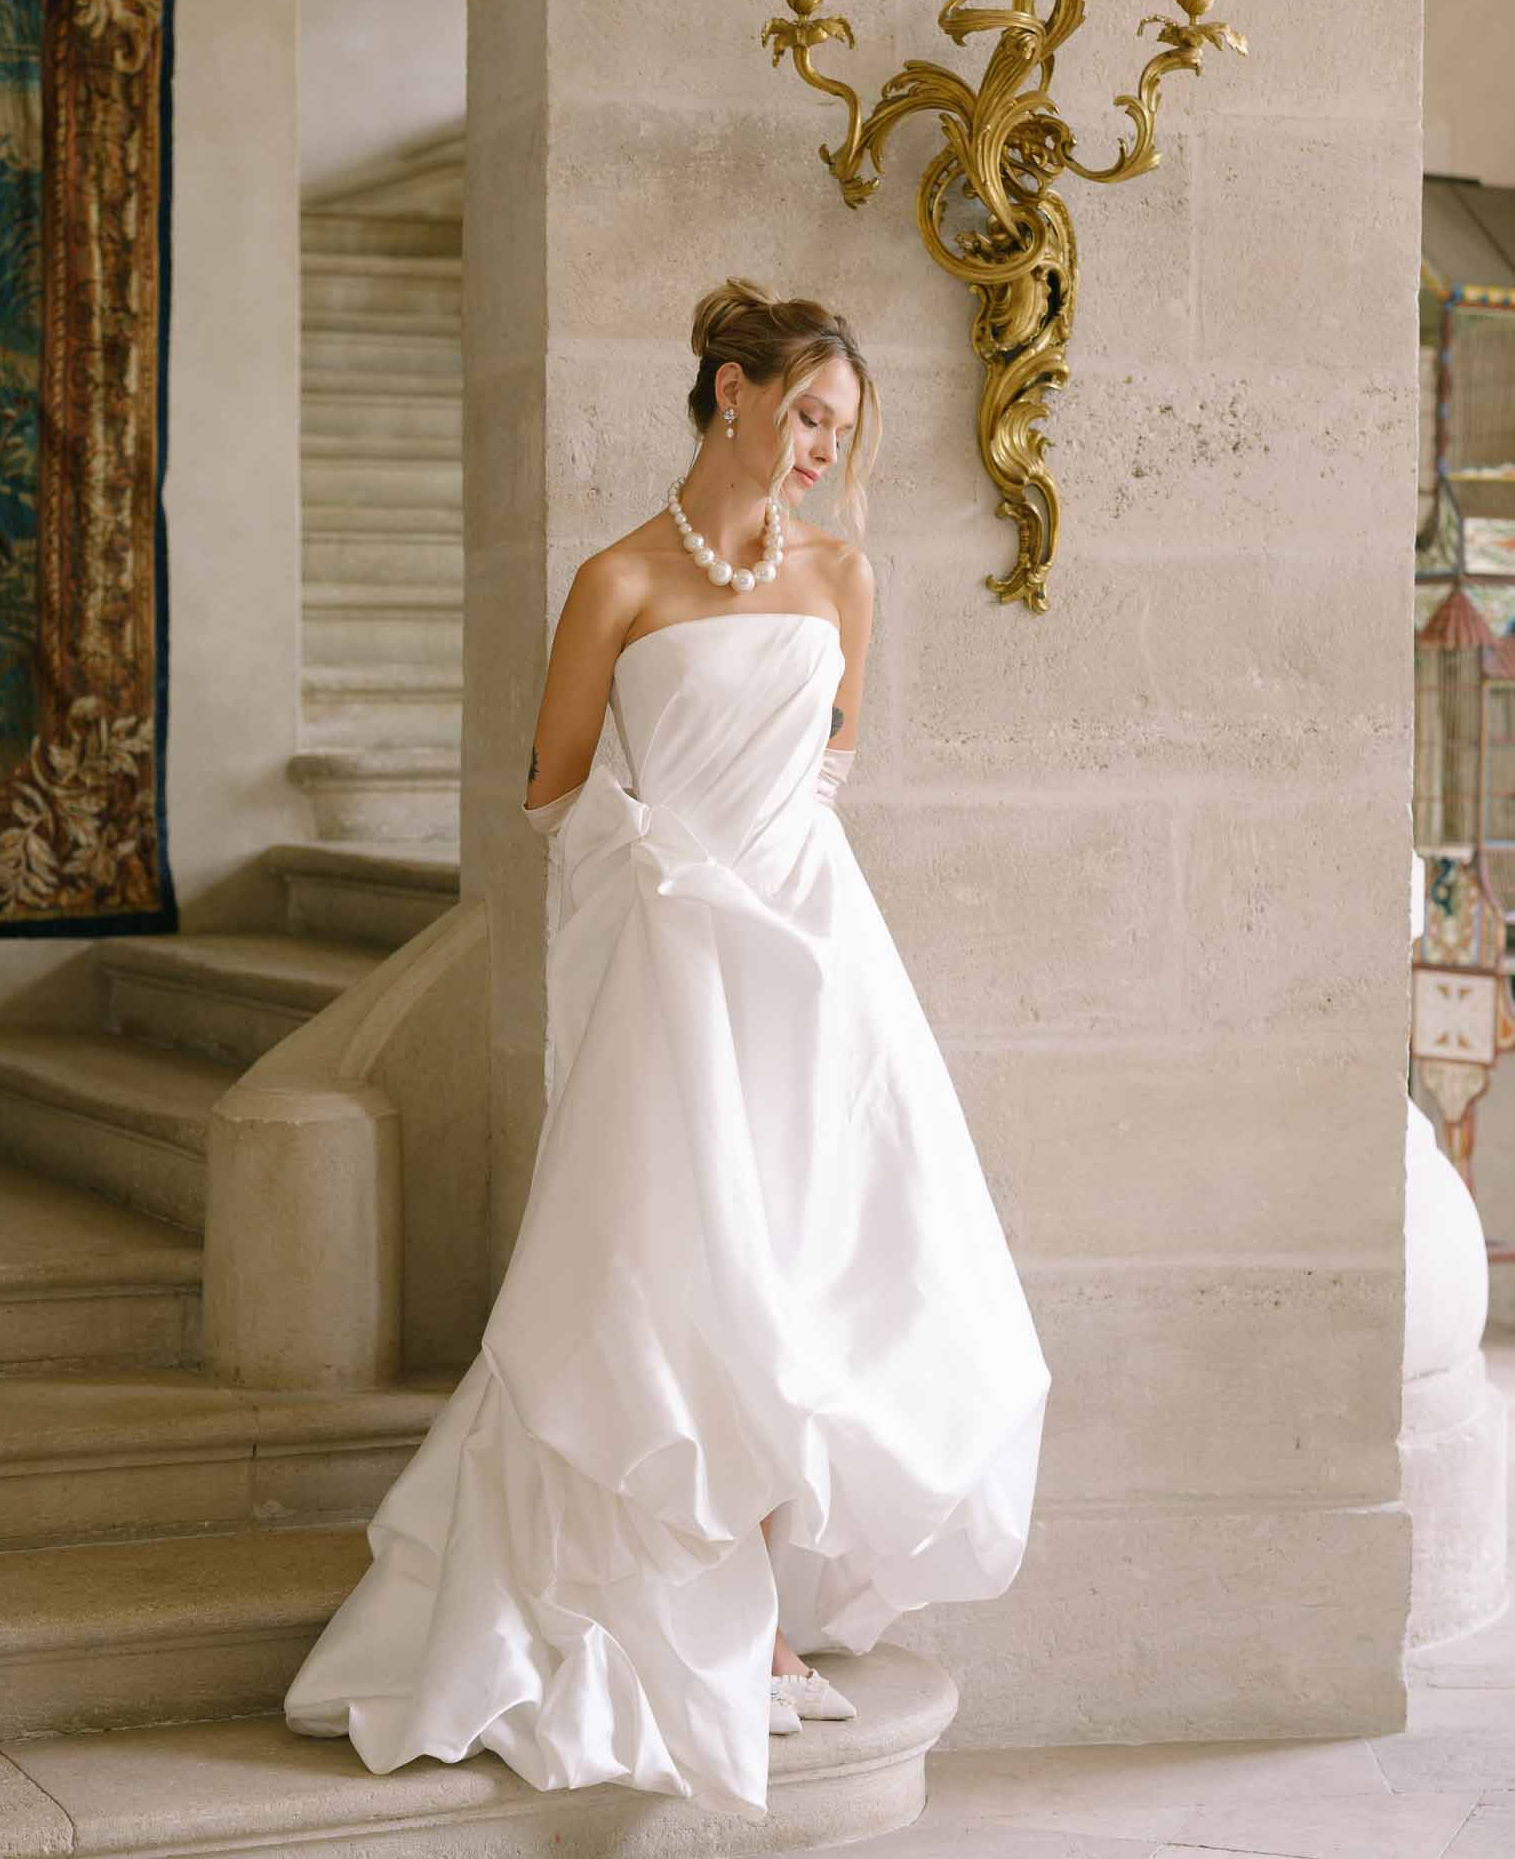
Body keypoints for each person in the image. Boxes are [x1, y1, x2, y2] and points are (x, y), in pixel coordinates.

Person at [282, 275, 1052, 1823]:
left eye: (845, 424)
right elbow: (554, 795)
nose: (829, 443)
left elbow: (830, 764)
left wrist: (775, 896)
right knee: (674, 1279)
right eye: (812, 411)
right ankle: (664, 1618)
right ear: (731, 393)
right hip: (670, 963)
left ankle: (758, 1628)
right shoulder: (618, 581)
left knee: (816, 1269)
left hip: (813, 965)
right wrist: (670, 887)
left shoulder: (844, 576)